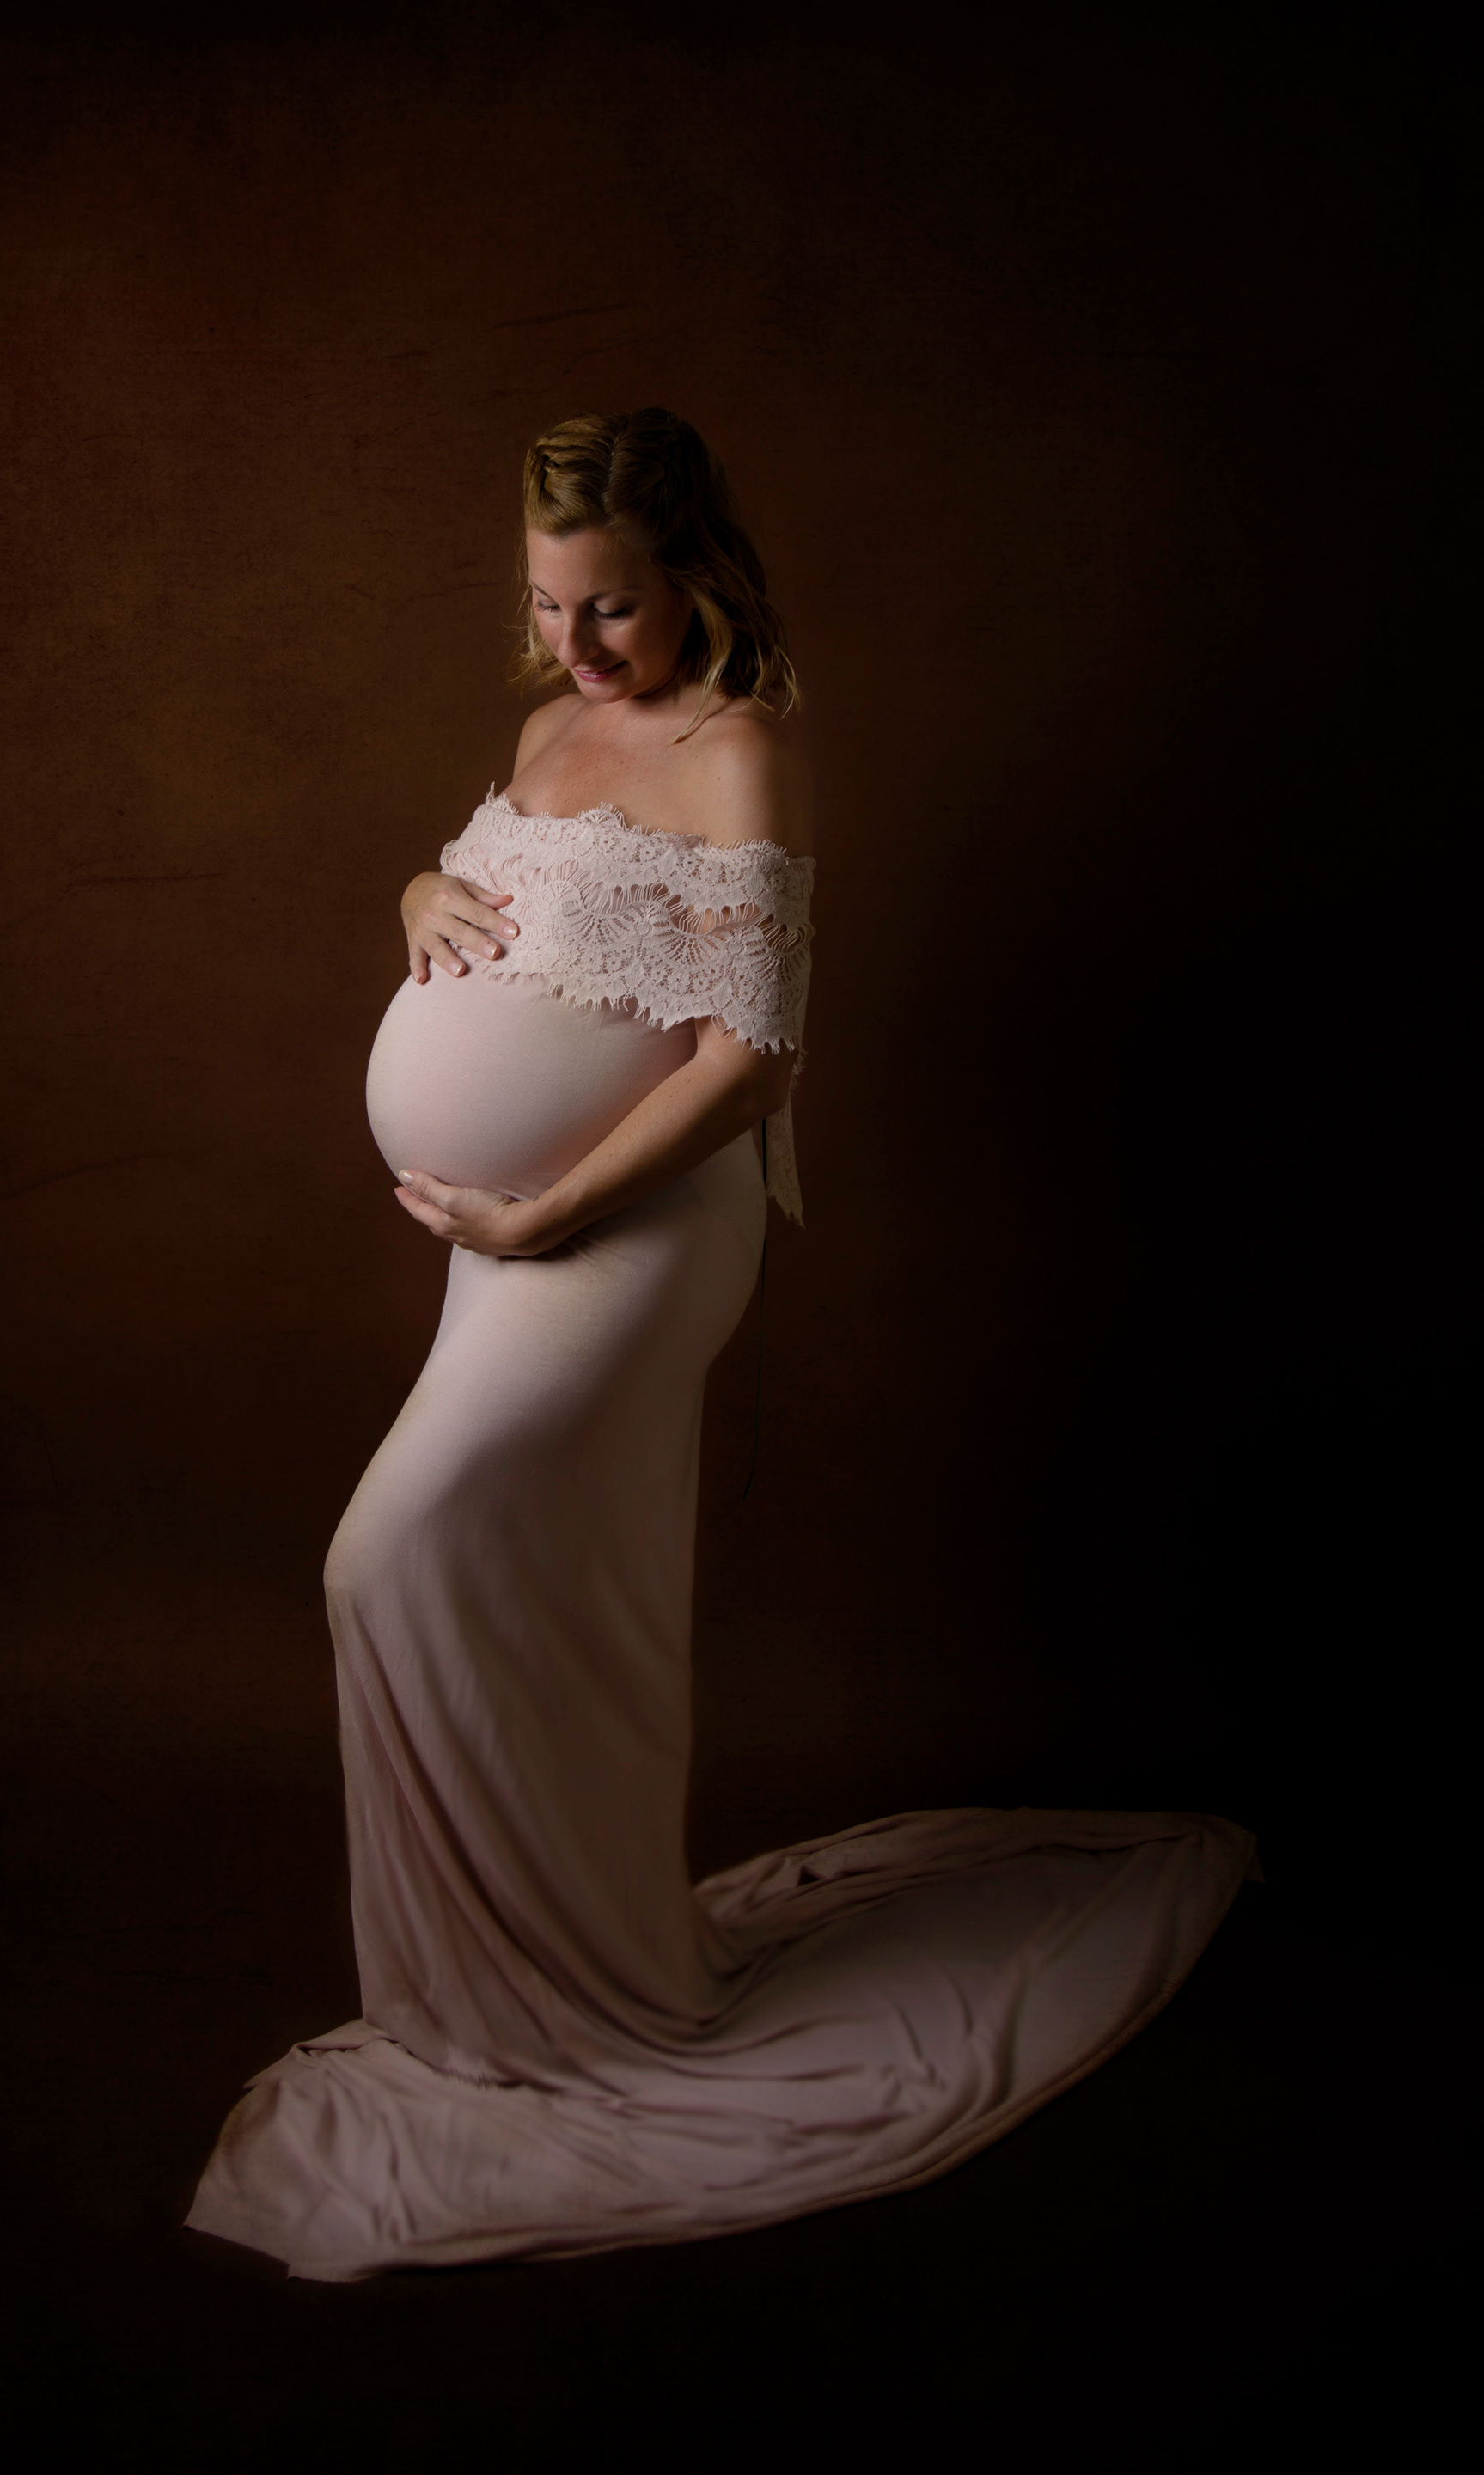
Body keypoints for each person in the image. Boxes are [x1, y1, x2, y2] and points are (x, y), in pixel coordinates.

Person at [186, 409, 1252, 2278]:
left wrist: (546, 1214)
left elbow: (749, 1059)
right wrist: (416, 895)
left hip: (635, 1233)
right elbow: (493, 902)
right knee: (529, 1582)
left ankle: (559, 1994)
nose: (576, 644)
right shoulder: (548, 727)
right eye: (549, 605)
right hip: (505, 1241)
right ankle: (517, 1984)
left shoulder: (740, 748)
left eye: (610, 606)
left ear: (693, 574)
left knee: (390, 1559)